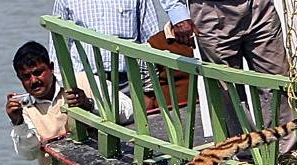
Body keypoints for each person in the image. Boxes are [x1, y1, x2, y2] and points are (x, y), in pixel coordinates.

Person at [6, 41, 134, 165]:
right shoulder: (23, 108)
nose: (34, 81)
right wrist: (17, 122)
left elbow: (128, 109)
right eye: (26, 77)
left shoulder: (81, 81)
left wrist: (89, 105)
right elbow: (28, 153)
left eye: (38, 72)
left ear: (51, 68)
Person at [186, 0, 297, 159]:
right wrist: (178, 14)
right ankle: (249, 158)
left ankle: (286, 157)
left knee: (277, 81)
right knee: (228, 91)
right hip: (212, 12)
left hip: (259, 8)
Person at [47, 0, 193, 100]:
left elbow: (149, 38)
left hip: (128, 80)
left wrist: (148, 87)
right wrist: (59, 83)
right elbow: (57, 40)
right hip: (86, 80)